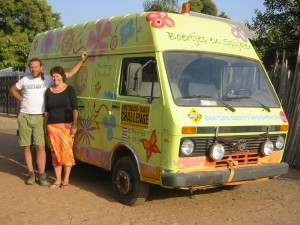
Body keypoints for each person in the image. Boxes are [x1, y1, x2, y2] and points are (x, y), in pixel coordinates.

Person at [9, 51, 88, 186]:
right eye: (31, 67)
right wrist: (21, 99)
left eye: (36, 67)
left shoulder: (48, 79)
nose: (34, 69)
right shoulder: (25, 80)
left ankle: (42, 175)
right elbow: (12, 89)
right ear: (30, 68)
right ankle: (31, 174)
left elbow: (68, 74)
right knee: (27, 147)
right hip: (25, 116)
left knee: (40, 146)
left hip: (39, 117)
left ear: (41, 67)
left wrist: (81, 61)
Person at [45, 66, 78, 189]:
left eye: (57, 76)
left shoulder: (69, 89)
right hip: (52, 127)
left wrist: (75, 124)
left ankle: (66, 179)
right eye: (53, 76)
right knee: (55, 154)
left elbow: (75, 108)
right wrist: (45, 128)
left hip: (66, 126)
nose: (55, 78)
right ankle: (57, 180)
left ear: (62, 76)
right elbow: (46, 111)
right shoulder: (48, 91)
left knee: (66, 152)